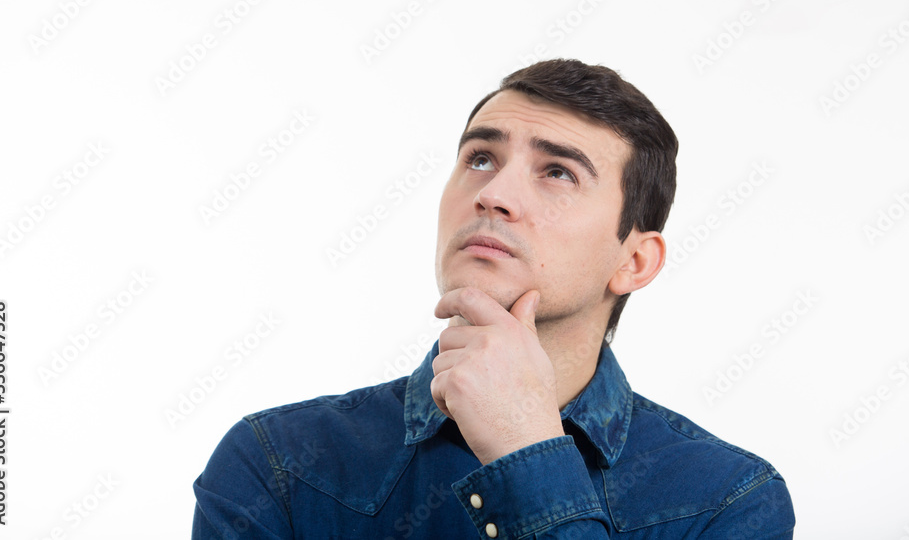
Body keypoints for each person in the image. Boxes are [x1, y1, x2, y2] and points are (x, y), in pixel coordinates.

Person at [191, 58, 796, 539]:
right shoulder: (279, 465)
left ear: (634, 262)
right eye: (480, 158)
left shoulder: (728, 501)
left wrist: (527, 451)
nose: (495, 193)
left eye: (558, 171)